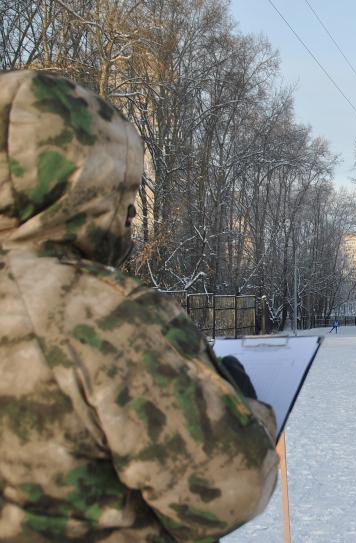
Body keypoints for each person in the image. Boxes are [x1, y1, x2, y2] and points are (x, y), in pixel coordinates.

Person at [0, 71, 278, 542]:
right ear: (89, 189)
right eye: (124, 195)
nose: (129, 214)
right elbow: (232, 486)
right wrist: (249, 412)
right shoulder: (104, 315)